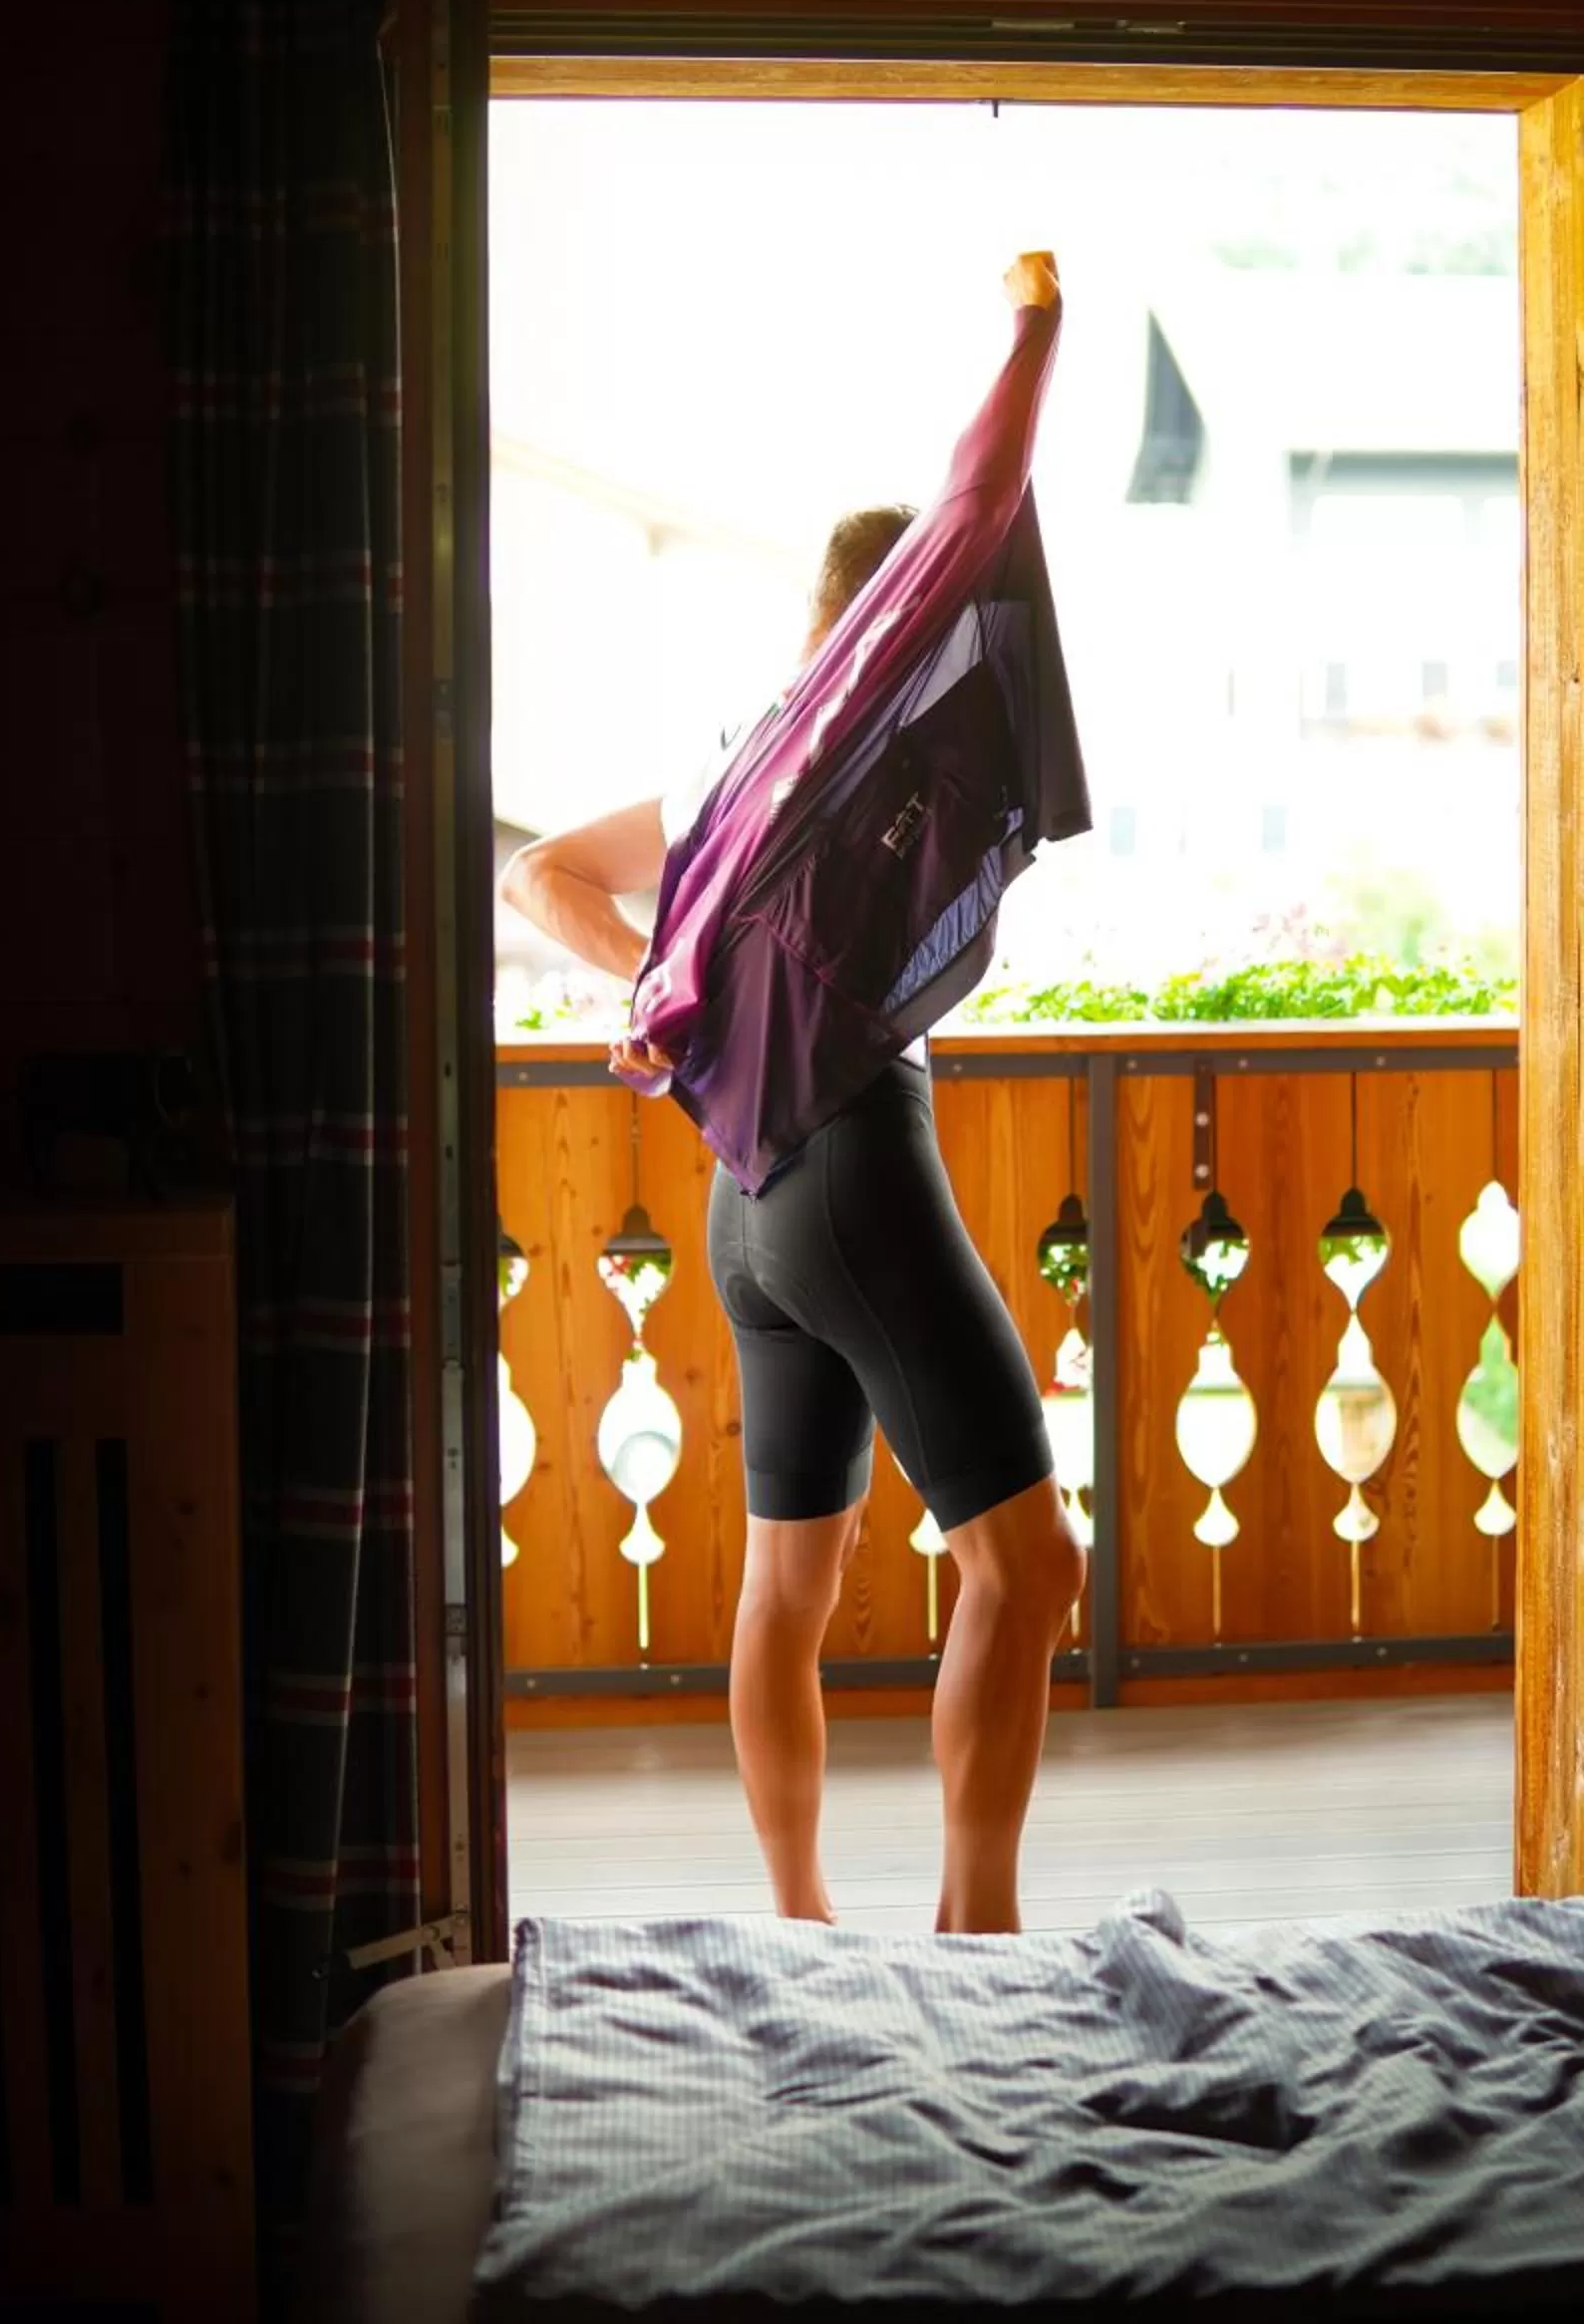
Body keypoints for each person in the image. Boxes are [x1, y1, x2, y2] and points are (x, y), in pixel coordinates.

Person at [500, 252, 1087, 1934]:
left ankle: (804, 1925)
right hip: (849, 1162)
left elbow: (537, 871)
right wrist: (1035, 324)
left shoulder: (739, 759)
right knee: (1026, 1567)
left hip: (745, 1200)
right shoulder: (870, 743)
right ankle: (982, 1944)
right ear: (904, 629)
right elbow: (987, 495)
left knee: (788, 1583)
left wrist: (674, 989)